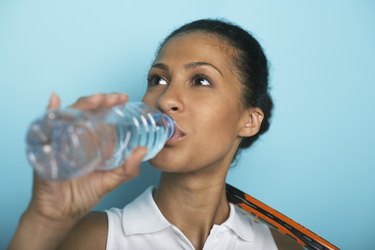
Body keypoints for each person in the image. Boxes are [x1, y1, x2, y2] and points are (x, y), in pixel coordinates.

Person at [9, 18, 300, 250]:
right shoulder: (94, 239)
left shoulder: (280, 246)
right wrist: (44, 219)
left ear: (249, 121)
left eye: (200, 80)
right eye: (157, 80)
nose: (165, 99)